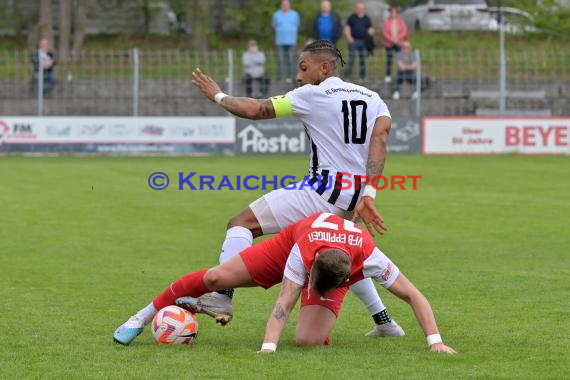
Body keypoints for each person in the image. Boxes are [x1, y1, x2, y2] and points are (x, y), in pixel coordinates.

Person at [163, 40, 403, 339]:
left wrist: (218, 95)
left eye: (304, 68)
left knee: (242, 223)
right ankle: (385, 322)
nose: (299, 77)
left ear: (325, 67)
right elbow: (379, 142)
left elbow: (257, 110)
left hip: (322, 193)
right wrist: (369, 193)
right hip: (355, 196)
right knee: (338, 251)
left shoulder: (312, 94)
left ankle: (222, 294)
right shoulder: (374, 98)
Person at [114, 212, 457, 355]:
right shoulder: (302, 254)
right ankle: (141, 317)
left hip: (333, 266)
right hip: (288, 246)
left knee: (307, 341)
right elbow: (284, 302)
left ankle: (324, 320)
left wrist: (435, 342)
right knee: (216, 277)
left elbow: (414, 295)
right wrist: (267, 350)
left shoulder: (370, 256)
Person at [344, 3, 374, 82]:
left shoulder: (367, 18)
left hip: (364, 42)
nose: (360, 9)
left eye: (361, 8)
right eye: (358, 8)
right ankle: (347, 77)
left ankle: (363, 77)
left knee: (363, 59)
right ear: (356, 8)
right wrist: (349, 38)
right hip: (354, 41)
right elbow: (347, 28)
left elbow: (371, 28)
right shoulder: (352, 17)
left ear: (363, 9)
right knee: (351, 59)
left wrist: (370, 34)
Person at [272, 0, 300, 83]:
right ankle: (279, 78)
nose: (285, 6)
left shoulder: (295, 14)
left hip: (291, 41)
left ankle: (290, 78)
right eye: (283, 4)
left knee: (291, 60)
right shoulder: (276, 14)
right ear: (281, 5)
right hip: (280, 41)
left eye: (286, 4)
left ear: (289, 5)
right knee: (280, 60)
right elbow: (274, 25)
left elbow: (297, 25)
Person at [382, 5, 408, 84]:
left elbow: (404, 31)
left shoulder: (401, 22)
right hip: (389, 44)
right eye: (392, 12)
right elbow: (384, 32)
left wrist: (398, 39)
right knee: (389, 59)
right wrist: (392, 39)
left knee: (400, 59)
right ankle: (388, 75)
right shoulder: (387, 22)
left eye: (395, 12)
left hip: (399, 43)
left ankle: (401, 75)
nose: (393, 13)